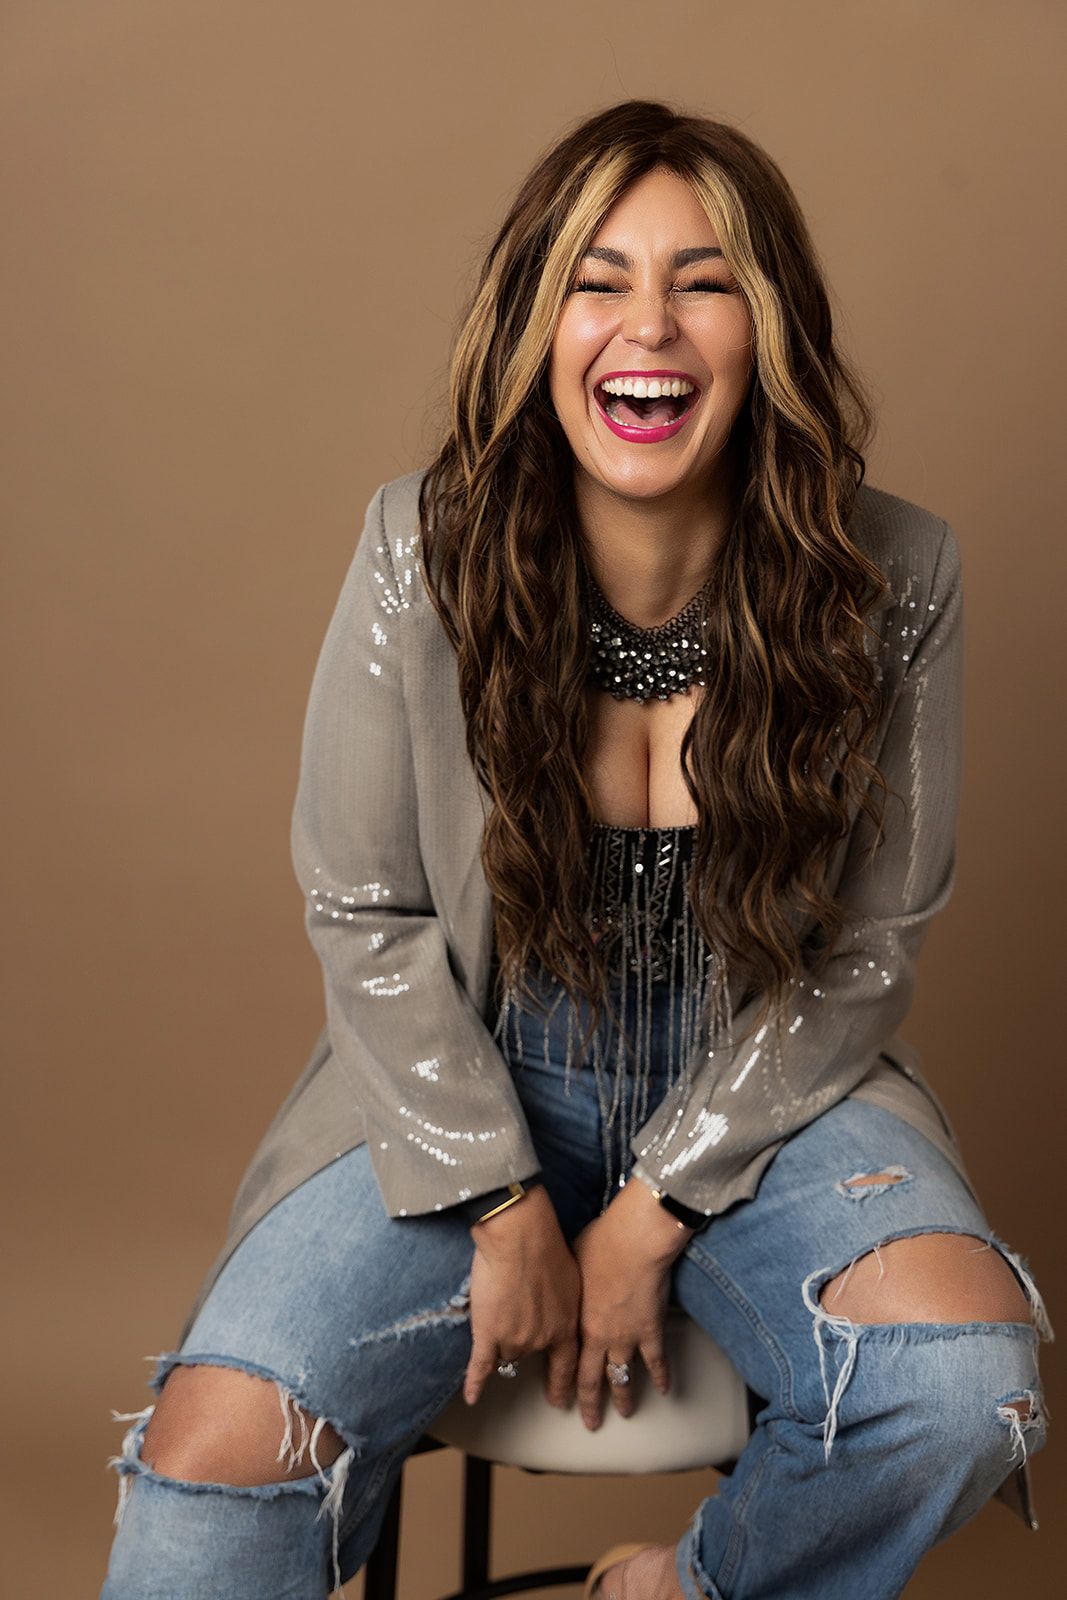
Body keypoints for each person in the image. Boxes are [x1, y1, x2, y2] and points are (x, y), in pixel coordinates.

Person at [99, 100, 1051, 1600]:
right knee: (214, 1450)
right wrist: (499, 1192)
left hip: (773, 1087)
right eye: (599, 282)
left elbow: (867, 949)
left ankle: (679, 1591)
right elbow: (367, 903)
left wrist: (656, 1202)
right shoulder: (422, 548)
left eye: (706, 280)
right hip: (470, 1065)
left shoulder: (897, 575)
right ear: (536, 325)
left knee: (954, 1384)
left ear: (772, 327)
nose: (647, 328)